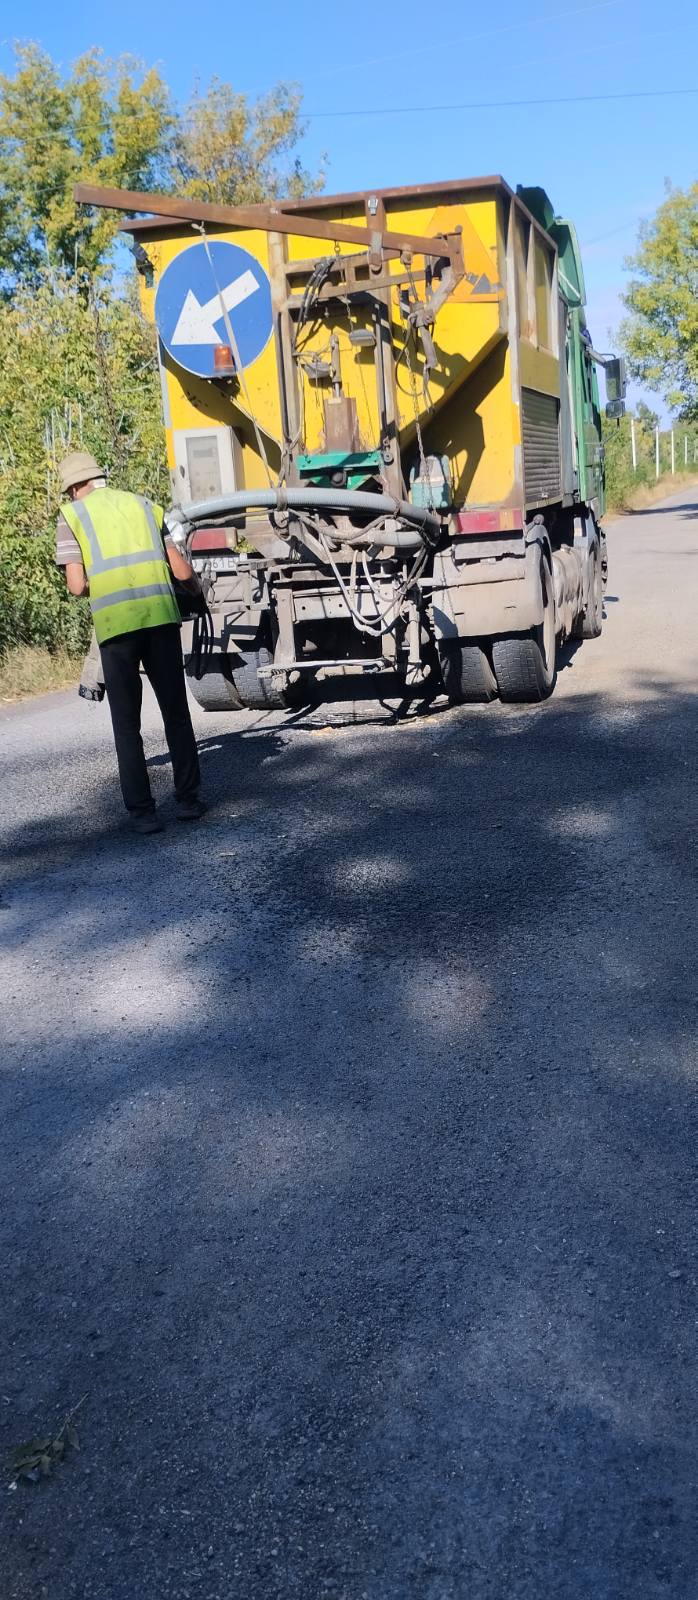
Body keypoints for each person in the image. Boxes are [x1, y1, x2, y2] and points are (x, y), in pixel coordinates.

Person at [56, 451, 205, 835]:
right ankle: (188, 801)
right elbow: (180, 570)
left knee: (127, 725)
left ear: (74, 488)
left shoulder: (72, 516)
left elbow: (76, 585)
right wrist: (195, 589)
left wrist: (103, 581)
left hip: (117, 628)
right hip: (160, 619)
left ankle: (143, 814)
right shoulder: (144, 506)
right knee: (176, 713)